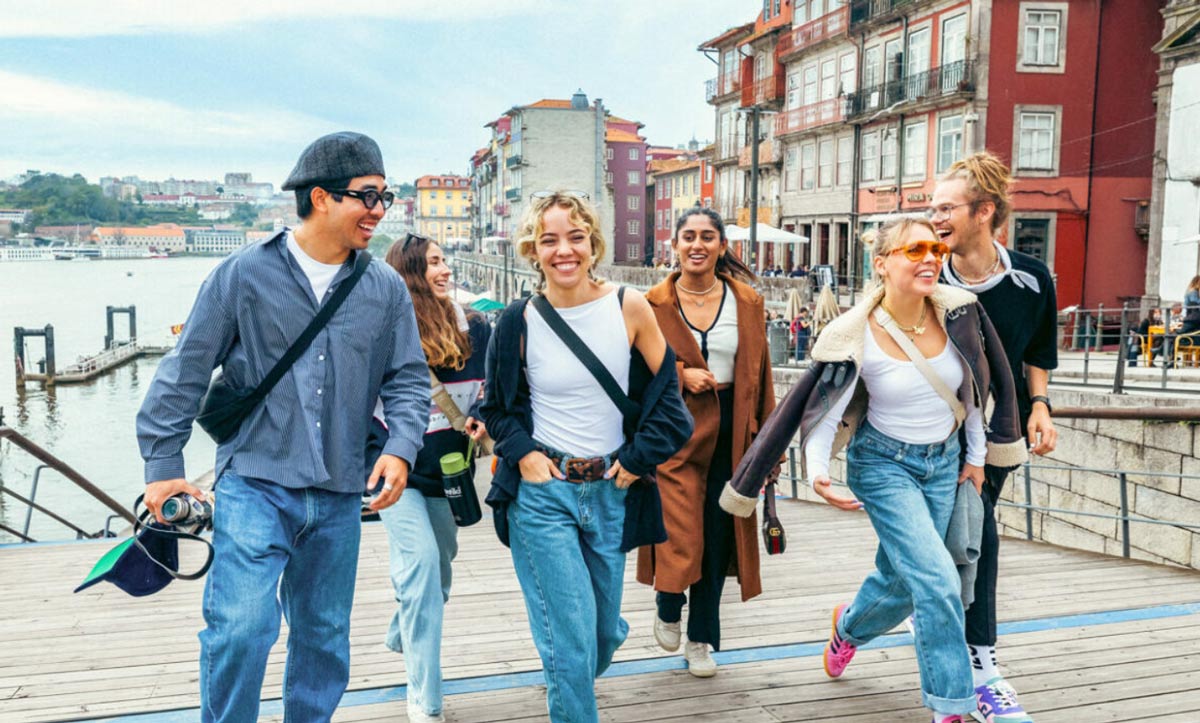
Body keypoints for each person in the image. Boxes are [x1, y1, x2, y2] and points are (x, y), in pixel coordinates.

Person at [136, 132, 430, 722]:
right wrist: (163, 468)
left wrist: (400, 447)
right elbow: (186, 370)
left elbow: (408, 380)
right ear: (320, 198)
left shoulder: (385, 289)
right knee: (241, 629)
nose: (378, 210)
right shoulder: (242, 275)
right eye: (366, 196)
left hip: (342, 492)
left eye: (385, 197)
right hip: (254, 482)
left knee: (323, 640)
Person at [722, 215, 1027, 723]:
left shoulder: (959, 313)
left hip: (945, 462)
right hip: (884, 466)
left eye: (934, 248)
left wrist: (976, 457)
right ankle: (951, 707)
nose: (930, 257)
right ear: (882, 264)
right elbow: (822, 406)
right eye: (914, 251)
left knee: (903, 579)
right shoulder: (853, 332)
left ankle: (849, 626)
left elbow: (975, 391)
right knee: (936, 581)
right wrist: (818, 473)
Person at [481, 192, 693, 723]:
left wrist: (638, 460)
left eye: (575, 237)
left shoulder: (630, 306)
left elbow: (669, 399)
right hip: (543, 493)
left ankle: (567, 673)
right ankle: (569, 693)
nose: (564, 250)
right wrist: (523, 453)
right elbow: (496, 409)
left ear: (593, 243)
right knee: (571, 641)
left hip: (612, 490)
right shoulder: (517, 322)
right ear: (534, 248)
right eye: (549, 240)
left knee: (601, 634)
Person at [931, 151, 1058, 723]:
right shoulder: (925, 273)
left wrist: (1041, 405)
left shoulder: (1032, 278)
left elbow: (1038, 352)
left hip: (1000, 433)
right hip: (933, 432)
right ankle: (980, 667)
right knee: (966, 538)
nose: (934, 218)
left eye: (945, 207)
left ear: (983, 212)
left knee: (963, 539)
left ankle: (858, 624)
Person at [638, 207, 775, 677]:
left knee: (718, 537)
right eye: (689, 236)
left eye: (708, 236)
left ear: (721, 246)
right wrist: (679, 375)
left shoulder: (747, 301)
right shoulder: (650, 303)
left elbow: (761, 375)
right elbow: (633, 370)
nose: (698, 244)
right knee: (681, 529)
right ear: (673, 245)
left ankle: (701, 638)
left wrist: (769, 444)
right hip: (675, 430)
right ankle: (668, 600)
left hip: (733, 431)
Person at [371, 233, 491, 723]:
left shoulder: (476, 329)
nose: (444, 270)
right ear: (408, 276)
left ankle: (404, 629)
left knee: (436, 574)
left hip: (452, 473)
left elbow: (494, 389)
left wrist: (483, 414)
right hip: (397, 474)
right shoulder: (384, 335)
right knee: (420, 568)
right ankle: (425, 699)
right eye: (432, 264)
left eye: (444, 261)